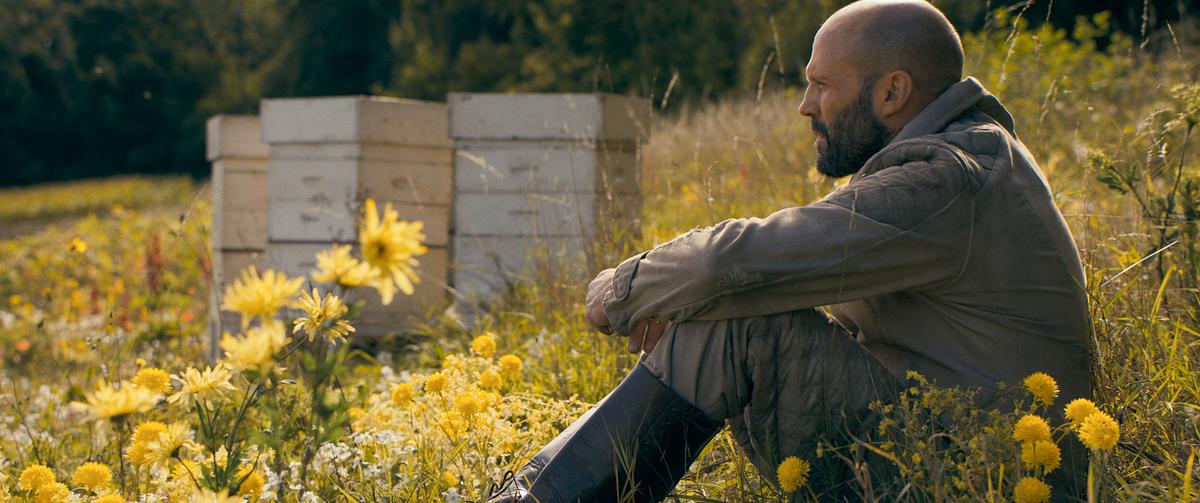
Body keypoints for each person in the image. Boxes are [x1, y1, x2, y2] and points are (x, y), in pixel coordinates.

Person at [490, 0, 1092, 501]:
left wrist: (619, 291)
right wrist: (692, 301)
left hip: (985, 478)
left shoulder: (945, 180)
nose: (805, 106)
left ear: (892, 92)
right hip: (965, 454)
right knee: (730, 303)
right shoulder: (969, 156)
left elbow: (727, 261)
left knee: (737, 316)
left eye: (821, 85)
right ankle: (532, 491)